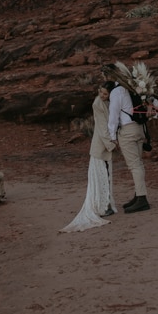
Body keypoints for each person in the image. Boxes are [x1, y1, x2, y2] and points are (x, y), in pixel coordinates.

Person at [60, 83, 117, 232]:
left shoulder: (107, 102)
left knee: (106, 175)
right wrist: (112, 144)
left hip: (103, 144)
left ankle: (106, 205)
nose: (102, 96)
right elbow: (102, 126)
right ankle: (102, 206)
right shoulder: (98, 104)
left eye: (105, 94)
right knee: (101, 176)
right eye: (101, 92)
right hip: (100, 146)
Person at [103, 63, 150, 213]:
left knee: (134, 165)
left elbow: (114, 115)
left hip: (127, 131)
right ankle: (138, 195)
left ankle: (142, 199)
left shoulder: (117, 91)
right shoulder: (131, 87)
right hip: (139, 128)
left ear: (107, 76)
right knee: (139, 164)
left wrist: (112, 136)